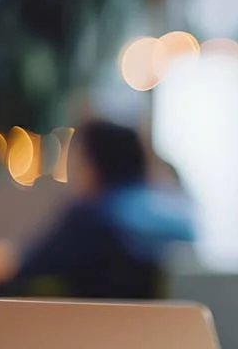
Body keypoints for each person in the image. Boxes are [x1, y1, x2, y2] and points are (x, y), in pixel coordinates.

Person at [13, 119, 195, 299]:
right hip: (163, 323)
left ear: (95, 164)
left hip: (88, 320)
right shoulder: (176, 219)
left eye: (79, 160)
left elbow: (28, 267)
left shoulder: (88, 218)